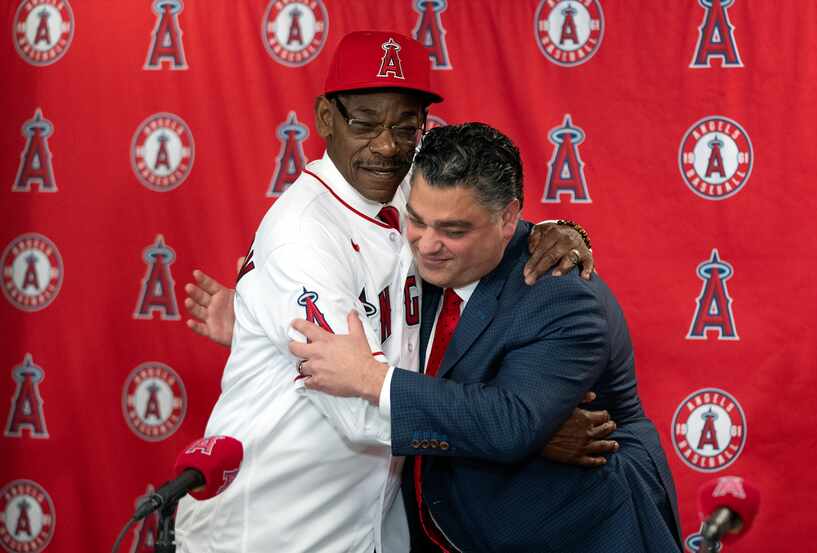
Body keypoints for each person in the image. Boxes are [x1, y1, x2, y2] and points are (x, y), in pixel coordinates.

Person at [175, 31, 609, 553]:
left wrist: (557, 229)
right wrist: (521, 436)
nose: (386, 145)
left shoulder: (401, 193)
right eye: (365, 122)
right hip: (273, 527)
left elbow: (476, 223)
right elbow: (357, 406)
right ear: (325, 118)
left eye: (406, 127)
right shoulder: (303, 236)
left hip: (368, 524)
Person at [290, 122, 682, 552]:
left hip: (577, 529)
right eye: (417, 220)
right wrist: (250, 313)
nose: (427, 244)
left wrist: (370, 378)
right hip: (450, 525)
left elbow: (511, 423)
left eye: (454, 230)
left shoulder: (561, 294)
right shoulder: (419, 261)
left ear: (508, 217)